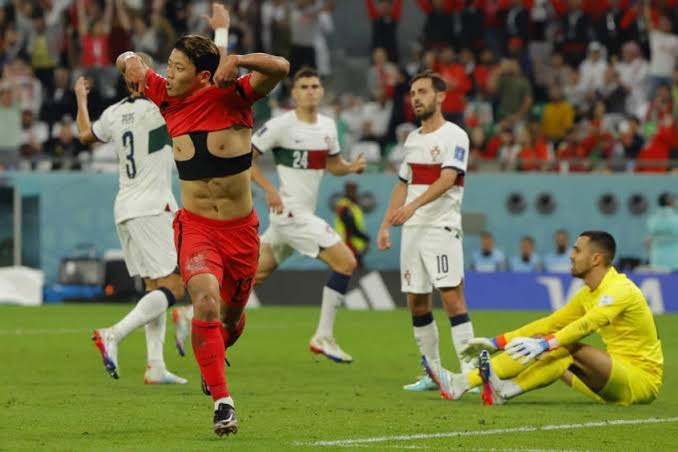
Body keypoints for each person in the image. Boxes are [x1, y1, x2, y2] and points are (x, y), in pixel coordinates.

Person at [119, 3, 289, 436]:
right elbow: (125, 61)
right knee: (206, 301)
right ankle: (223, 402)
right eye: (168, 64)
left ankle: (211, 357)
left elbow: (281, 67)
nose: (167, 72)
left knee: (230, 318)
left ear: (201, 76)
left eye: (178, 68)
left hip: (241, 233)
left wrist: (239, 57)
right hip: (196, 228)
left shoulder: (235, 96)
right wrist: (130, 59)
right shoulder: (164, 95)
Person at [431, 231, 663, 407]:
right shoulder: (588, 293)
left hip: (640, 381)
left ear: (595, 259)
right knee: (546, 341)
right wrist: (496, 342)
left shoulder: (620, 289)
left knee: (563, 346)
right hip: (608, 380)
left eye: (577, 251)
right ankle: (465, 382)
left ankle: (500, 389)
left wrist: (545, 344)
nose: (571, 256)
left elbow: (587, 325)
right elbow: (550, 324)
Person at [76, 56, 187, 386]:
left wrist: (81, 100)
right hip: (153, 208)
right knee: (175, 285)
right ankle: (114, 333)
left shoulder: (113, 113)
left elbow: (85, 134)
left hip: (125, 207)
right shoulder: (160, 108)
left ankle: (155, 365)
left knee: (154, 287)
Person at [250, 67, 367, 363]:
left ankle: (192, 313)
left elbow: (334, 165)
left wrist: (350, 167)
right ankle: (323, 336)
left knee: (251, 277)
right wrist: (269, 189)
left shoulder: (328, 126)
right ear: (294, 93)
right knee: (346, 262)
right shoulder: (280, 126)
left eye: (315, 86)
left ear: (322, 91)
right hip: (290, 214)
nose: (310, 91)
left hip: (294, 218)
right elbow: (244, 159)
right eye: (304, 87)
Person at [377, 70, 477, 393]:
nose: (416, 98)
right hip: (412, 231)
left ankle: (471, 374)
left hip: (441, 228)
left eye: (422, 92)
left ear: (440, 96)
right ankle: (433, 373)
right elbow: (402, 184)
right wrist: (385, 224)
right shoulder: (412, 139)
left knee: (452, 300)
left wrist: (413, 206)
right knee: (417, 303)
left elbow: (447, 179)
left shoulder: (455, 135)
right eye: (412, 93)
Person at [335, 181, 370, 269]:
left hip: (353, 244)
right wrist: (365, 238)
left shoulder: (352, 205)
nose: (354, 193)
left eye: (354, 190)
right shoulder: (345, 206)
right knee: (353, 271)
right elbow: (350, 226)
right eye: (352, 190)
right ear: (346, 191)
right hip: (349, 244)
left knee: (348, 271)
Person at [647, 192, 678, 271]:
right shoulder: (675, 219)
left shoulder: (652, 219)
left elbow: (648, 241)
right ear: (670, 202)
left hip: (657, 259)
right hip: (675, 260)